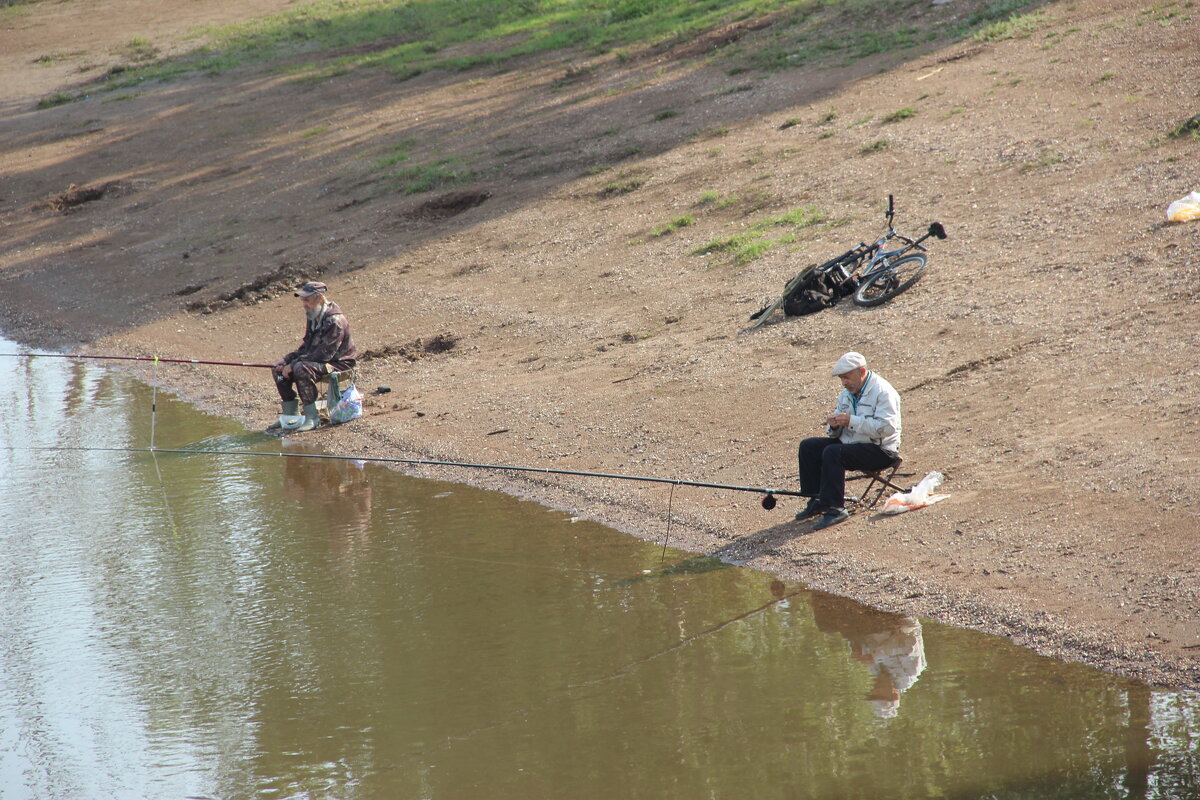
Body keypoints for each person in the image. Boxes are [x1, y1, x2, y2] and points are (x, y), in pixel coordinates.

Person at [796, 351, 901, 530]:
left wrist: (851, 421)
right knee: (808, 446)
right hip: (852, 445)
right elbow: (836, 433)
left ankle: (836, 508)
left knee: (833, 452)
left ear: (861, 371)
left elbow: (886, 428)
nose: (844, 383)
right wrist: (834, 426)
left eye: (847, 377)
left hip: (880, 450)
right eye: (841, 379)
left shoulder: (883, 391)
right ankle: (818, 498)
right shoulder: (846, 394)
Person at [268, 281, 358, 432]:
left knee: (301, 368)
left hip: (338, 363)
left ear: (320, 298)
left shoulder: (334, 321)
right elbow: (306, 346)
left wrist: (293, 364)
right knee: (278, 370)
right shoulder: (313, 316)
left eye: (307, 299)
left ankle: (312, 417)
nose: (304, 303)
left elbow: (323, 354)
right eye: (302, 300)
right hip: (319, 359)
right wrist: (286, 360)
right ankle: (291, 415)